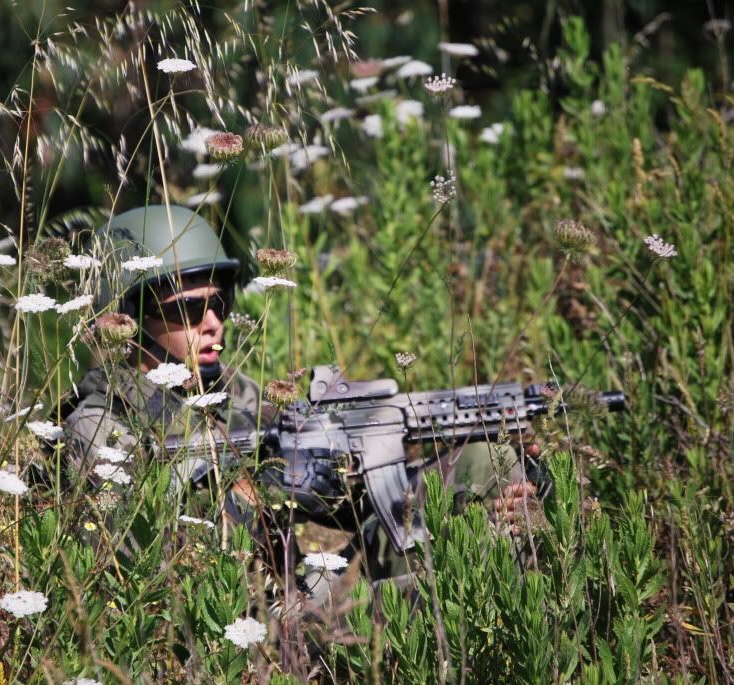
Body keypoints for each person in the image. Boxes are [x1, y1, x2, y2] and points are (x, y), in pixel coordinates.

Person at [58, 203, 535, 598]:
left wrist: (343, 471)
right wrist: (257, 492)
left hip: (299, 583)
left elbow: (354, 509)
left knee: (482, 461)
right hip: (227, 617)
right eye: (187, 309)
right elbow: (135, 560)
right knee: (449, 586)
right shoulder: (100, 424)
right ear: (125, 320)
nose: (213, 324)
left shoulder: (234, 394)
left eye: (218, 304)